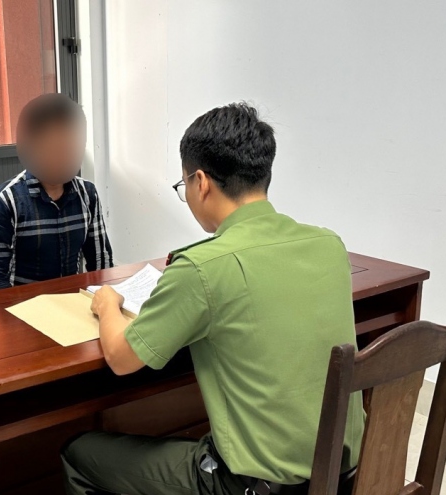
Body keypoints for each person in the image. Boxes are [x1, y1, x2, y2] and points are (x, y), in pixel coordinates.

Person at [61, 103, 365, 495]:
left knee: (79, 452)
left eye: (183, 184)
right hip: (342, 474)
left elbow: (121, 358)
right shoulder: (328, 244)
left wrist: (106, 303)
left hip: (251, 486)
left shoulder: (202, 267)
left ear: (201, 182)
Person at [0, 93, 114, 291]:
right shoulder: (4, 202)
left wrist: (105, 300)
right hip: (26, 305)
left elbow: (101, 264)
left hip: (74, 301)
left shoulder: (88, 194)